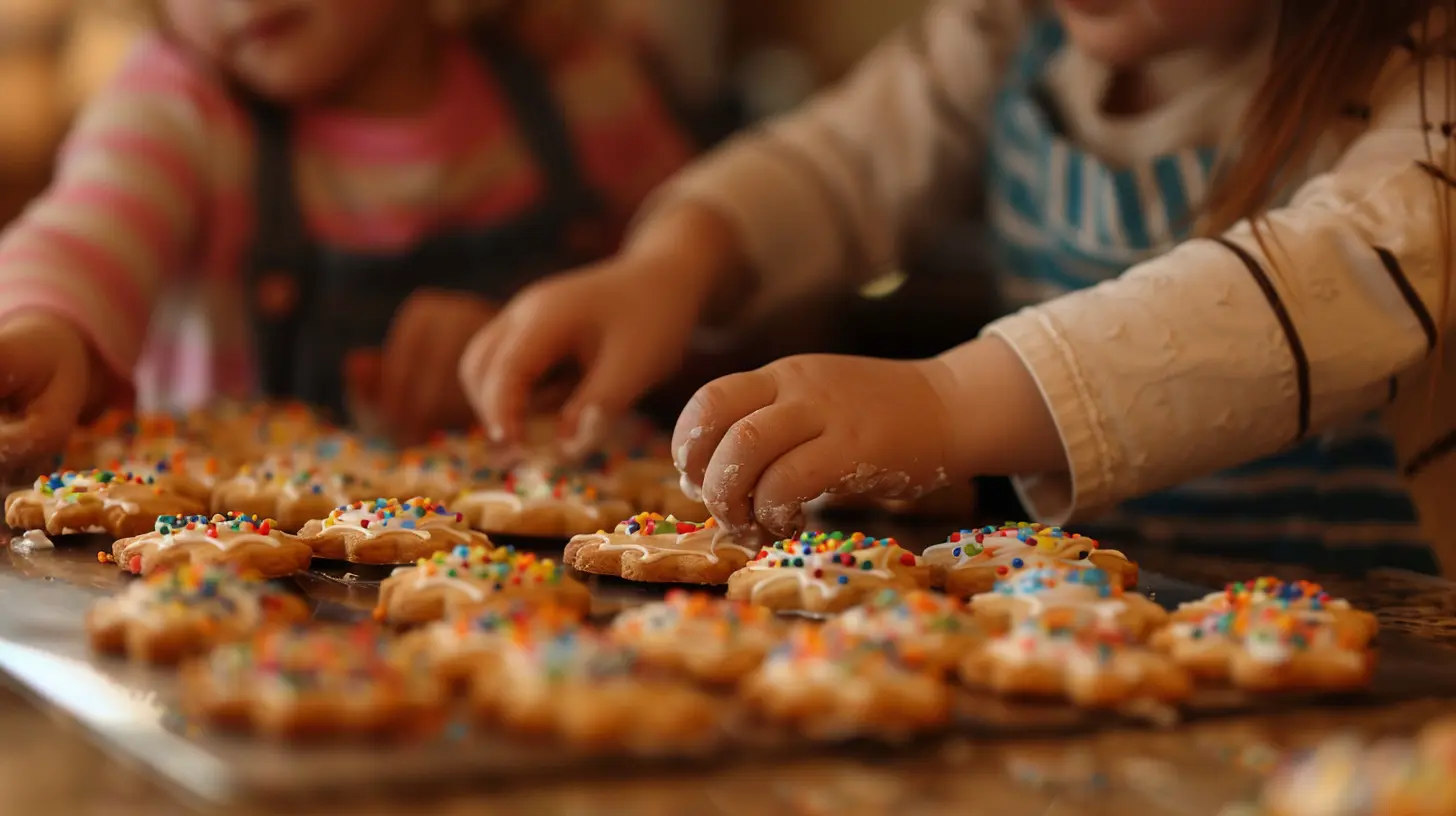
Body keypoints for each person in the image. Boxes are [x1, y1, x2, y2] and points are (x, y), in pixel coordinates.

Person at [461, 0, 1456, 575]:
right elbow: (844, 161)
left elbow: (1344, 278)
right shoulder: (1007, 27)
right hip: (1098, 620)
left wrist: (947, 400)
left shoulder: (1424, 76)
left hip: (1393, 649)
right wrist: (673, 263)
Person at [0, 0, 694, 460]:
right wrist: (44, 327)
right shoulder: (181, 102)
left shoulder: (575, 80)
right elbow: (78, 237)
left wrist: (546, 366)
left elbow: (697, 307)